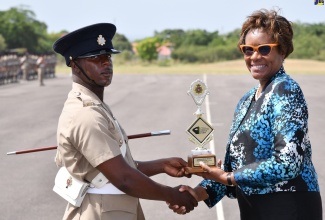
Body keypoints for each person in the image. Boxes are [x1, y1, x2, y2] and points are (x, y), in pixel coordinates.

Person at [170, 9, 322, 220]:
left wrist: (229, 177)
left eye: (265, 49)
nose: (255, 56)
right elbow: (233, 169)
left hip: (287, 205)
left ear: (283, 51)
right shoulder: (246, 100)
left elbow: (288, 162)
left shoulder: (285, 90)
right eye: (248, 50)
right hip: (254, 208)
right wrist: (196, 194)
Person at [52, 23, 197, 220]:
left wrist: (161, 165)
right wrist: (172, 195)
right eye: (95, 58)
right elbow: (124, 178)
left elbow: (114, 166)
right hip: (99, 211)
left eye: (108, 57)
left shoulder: (96, 106)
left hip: (112, 209)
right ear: (74, 65)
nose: (106, 64)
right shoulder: (85, 114)